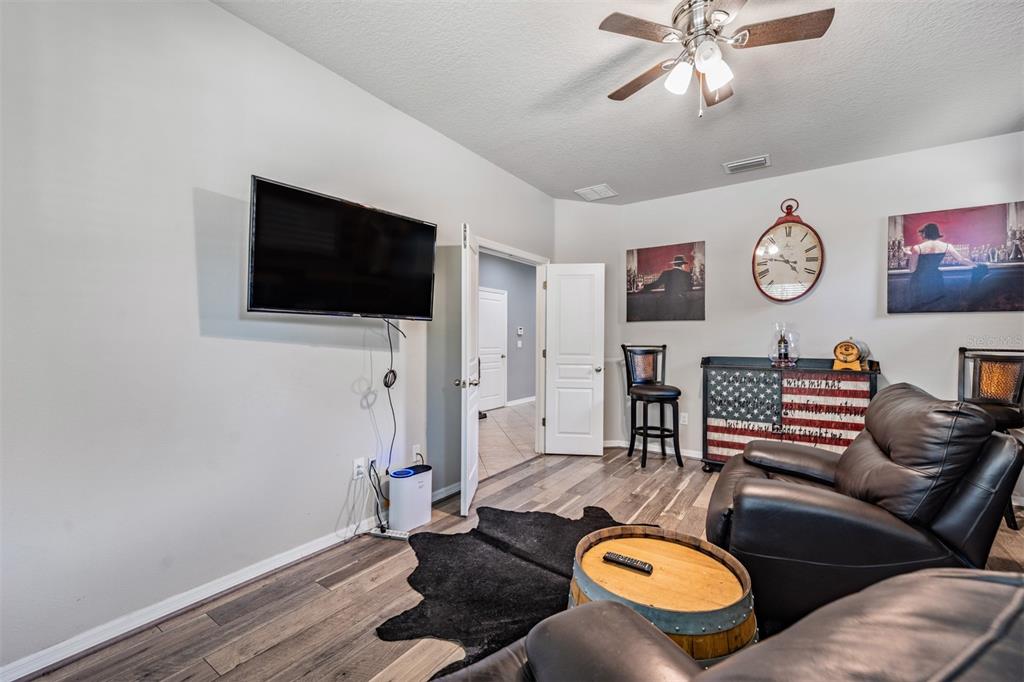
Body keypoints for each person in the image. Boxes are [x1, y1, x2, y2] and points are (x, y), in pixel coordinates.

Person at [905, 223, 973, 308]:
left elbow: (912, 269)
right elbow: (962, 260)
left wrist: (909, 255)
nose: (921, 235)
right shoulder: (947, 246)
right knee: (936, 307)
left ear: (925, 233)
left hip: (920, 281)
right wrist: (975, 264)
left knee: (919, 309)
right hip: (936, 280)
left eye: (922, 233)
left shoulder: (917, 248)